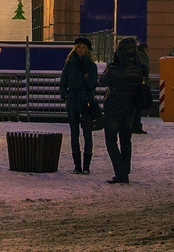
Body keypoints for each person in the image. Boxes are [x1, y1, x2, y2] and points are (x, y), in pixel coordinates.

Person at [99, 39, 146, 183]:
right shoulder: (140, 69)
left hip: (113, 108)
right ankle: (125, 169)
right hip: (130, 109)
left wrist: (113, 64)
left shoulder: (114, 69)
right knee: (126, 140)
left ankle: (121, 173)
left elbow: (102, 81)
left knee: (111, 142)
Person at [57, 36, 97, 173]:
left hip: (86, 102)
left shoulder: (92, 66)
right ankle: (77, 166)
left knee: (87, 134)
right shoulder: (69, 65)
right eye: (79, 47)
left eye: (83, 47)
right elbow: (63, 83)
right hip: (73, 102)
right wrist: (66, 96)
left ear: (87, 50)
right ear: (75, 48)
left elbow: (92, 85)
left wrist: (86, 78)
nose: (81, 49)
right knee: (74, 134)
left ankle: (86, 166)